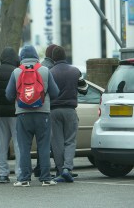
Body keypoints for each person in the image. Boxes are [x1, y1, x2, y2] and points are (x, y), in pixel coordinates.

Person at [6, 45, 59, 187]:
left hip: (22, 114)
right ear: (36, 56)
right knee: (43, 146)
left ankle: (24, 179)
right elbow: (55, 92)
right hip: (43, 114)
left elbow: (9, 94)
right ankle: (46, 178)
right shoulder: (45, 70)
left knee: (24, 147)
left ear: (21, 57)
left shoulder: (16, 72)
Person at [50, 46, 88, 183]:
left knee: (57, 142)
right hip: (70, 110)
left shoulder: (50, 72)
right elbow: (84, 89)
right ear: (65, 56)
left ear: (53, 58)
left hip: (53, 111)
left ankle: (60, 171)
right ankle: (67, 169)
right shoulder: (75, 71)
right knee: (70, 141)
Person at [0, 47, 21, 183]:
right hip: (15, 112)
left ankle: (3, 173)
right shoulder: (17, 72)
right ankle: (19, 172)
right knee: (18, 143)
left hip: (0, 113)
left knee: (1, 143)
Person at [34, 43, 58, 177]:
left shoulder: (40, 65)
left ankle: (38, 167)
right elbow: (54, 91)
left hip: (33, 106)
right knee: (49, 141)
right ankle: (53, 169)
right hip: (48, 108)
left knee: (41, 142)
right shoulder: (51, 68)